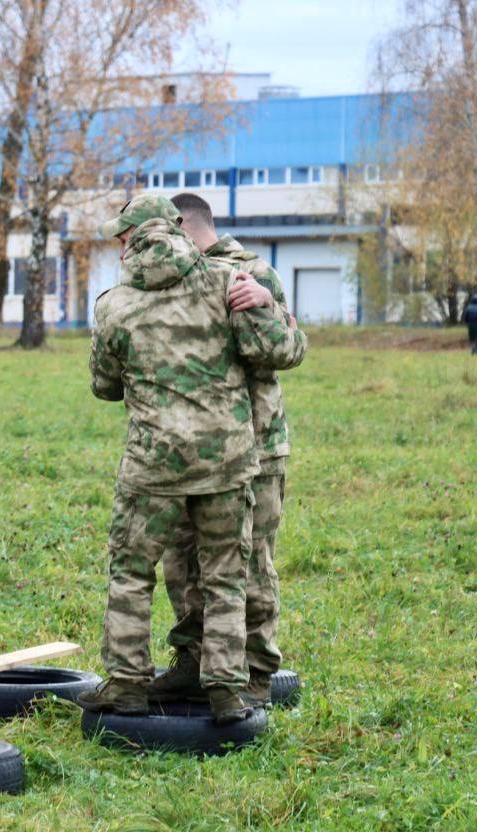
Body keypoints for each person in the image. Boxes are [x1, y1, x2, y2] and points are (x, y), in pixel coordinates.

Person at [79, 193, 308, 725]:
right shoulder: (228, 284)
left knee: (132, 572)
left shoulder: (114, 302)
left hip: (152, 464)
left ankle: (128, 683)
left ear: (132, 240)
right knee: (228, 575)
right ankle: (228, 690)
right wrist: (268, 312)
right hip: (226, 461)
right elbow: (277, 351)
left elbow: (104, 387)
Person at [149, 192, 304, 708]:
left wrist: (264, 306)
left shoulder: (251, 272)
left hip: (254, 446)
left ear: (183, 227)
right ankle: (195, 662)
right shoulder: (174, 275)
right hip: (190, 449)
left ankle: (255, 672)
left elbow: (287, 350)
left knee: (249, 562)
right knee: (183, 560)